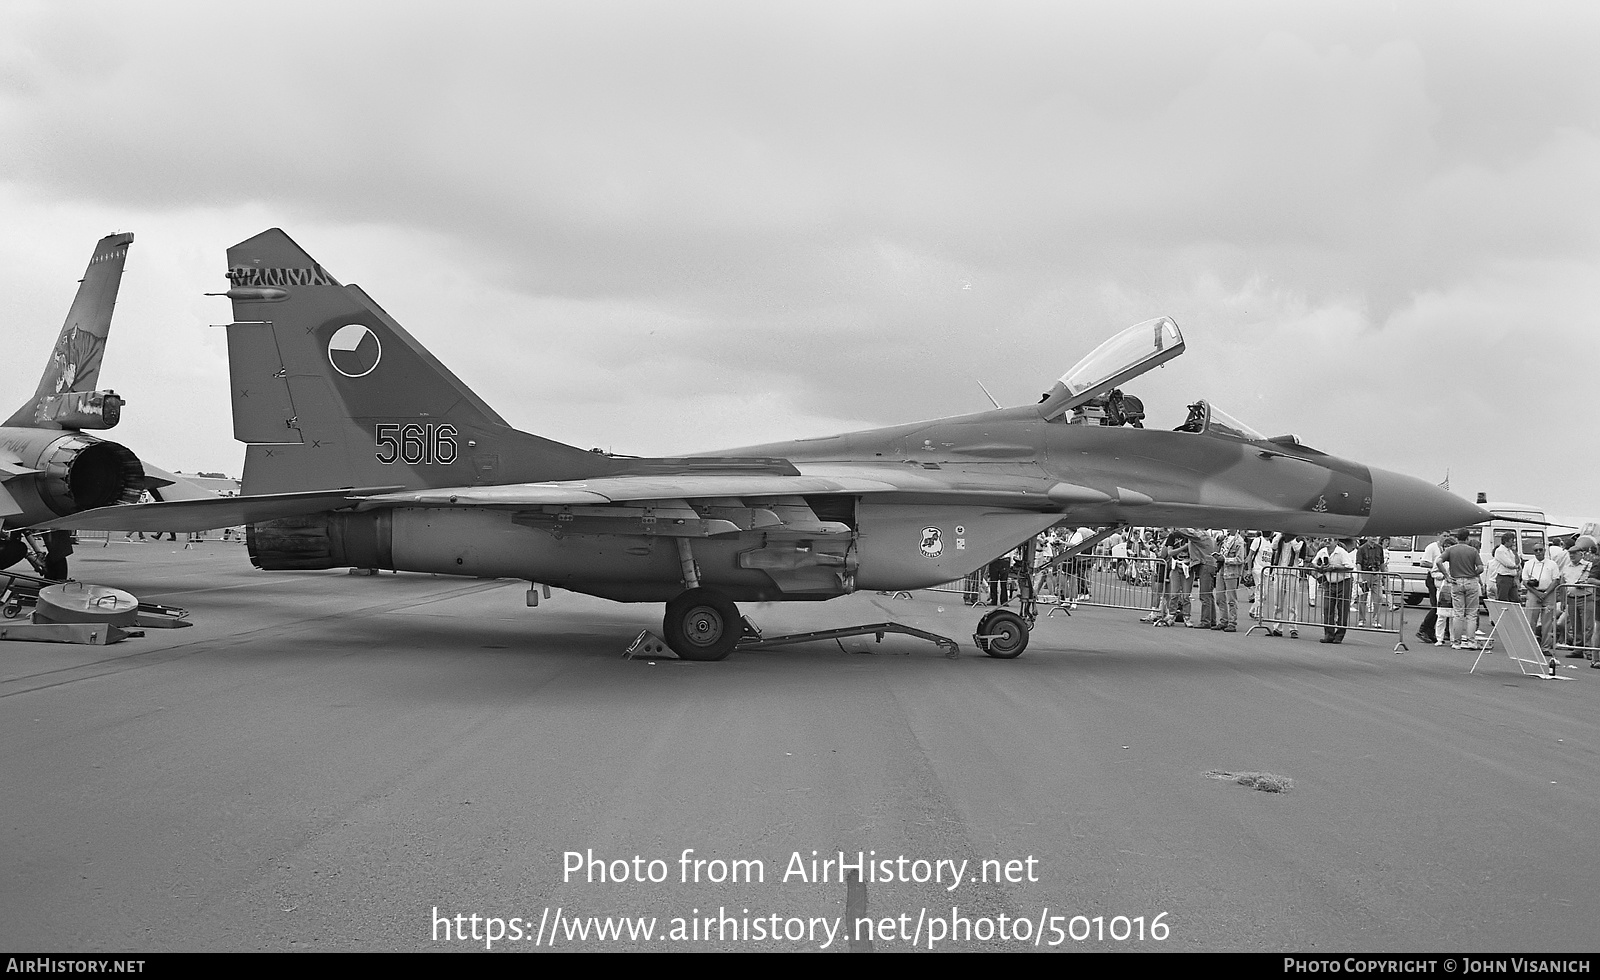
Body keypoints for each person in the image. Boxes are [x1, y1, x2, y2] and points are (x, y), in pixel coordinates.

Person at [1438, 532, 1485, 649]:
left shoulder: (1451, 550)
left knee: (1458, 613)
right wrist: (1473, 574)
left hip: (1456, 581)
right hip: (1471, 581)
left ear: (1456, 538)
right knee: (1471, 613)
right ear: (1467, 538)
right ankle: (1471, 641)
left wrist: (1447, 576)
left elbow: (1438, 561)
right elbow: (1480, 568)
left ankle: (1456, 642)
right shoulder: (1473, 551)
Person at [1521, 543, 1568, 658]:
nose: (1538, 552)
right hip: (1533, 593)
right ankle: (1530, 646)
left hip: (1548, 594)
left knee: (1547, 622)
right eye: (1536, 550)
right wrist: (1537, 593)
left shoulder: (1552, 564)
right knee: (1531, 620)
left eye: (1540, 550)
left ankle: (1545, 647)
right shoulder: (1528, 564)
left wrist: (1546, 593)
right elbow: (1525, 581)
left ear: (1544, 550)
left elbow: (1556, 580)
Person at [1314, 538, 1356, 644]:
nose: (1327, 541)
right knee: (1327, 608)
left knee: (1342, 609)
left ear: (1336, 542)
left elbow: (1350, 567)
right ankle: (1328, 634)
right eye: (1326, 539)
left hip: (1344, 582)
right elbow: (1313, 562)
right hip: (1330, 582)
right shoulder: (1322, 551)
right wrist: (1319, 567)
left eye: (1330, 540)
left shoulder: (1341, 552)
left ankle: (1339, 635)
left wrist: (1334, 567)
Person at [1416, 535, 1448, 644]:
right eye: (1444, 535)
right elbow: (1423, 562)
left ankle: (1431, 631)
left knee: (1440, 607)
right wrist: (1437, 565)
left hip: (1442, 579)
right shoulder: (1432, 547)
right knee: (1436, 606)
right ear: (1439, 536)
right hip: (1433, 578)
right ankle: (1423, 629)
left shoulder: (1445, 549)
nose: (1446, 538)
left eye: (1448, 536)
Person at [1216, 529, 1246, 632]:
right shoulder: (1225, 539)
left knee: (1231, 599)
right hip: (1221, 570)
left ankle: (1232, 622)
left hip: (1232, 572)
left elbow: (1240, 559)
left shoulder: (1239, 541)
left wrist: (1226, 560)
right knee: (1219, 597)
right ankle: (1223, 620)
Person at [1354, 536, 1387, 625]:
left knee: (1378, 597)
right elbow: (1358, 563)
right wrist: (1360, 577)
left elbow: (1382, 562)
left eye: (1376, 536)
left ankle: (1376, 620)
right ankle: (1362, 619)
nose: (1374, 538)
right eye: (1372, 536)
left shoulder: (1379, 548)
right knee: (1362, 598)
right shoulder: (1361, 549)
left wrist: (1384, 575)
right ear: (1368, 537)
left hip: (1376, 574)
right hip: (1365, 574)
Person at [1489, 532, 1521, 603]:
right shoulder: (1500, 551)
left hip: (1512, 577)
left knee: (1515, 599)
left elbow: (1518, 562)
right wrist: (1516, 566)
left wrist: (1515, 552)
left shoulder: (1510, 551)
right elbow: (1508, 564)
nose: (1513, 542)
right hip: (1504, 577)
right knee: (1503, 599)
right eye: (1512, 540)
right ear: (1506, 541)